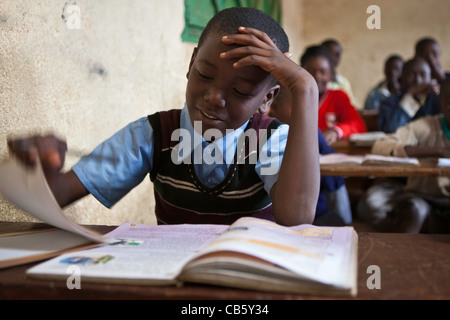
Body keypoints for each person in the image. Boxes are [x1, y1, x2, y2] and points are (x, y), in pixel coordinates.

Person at [7, 7, 320, 227]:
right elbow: (57, 194)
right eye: (204, 74)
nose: (215, 97)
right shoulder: (152, 134)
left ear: (267, 99)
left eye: (239, 92)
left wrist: (305, 87)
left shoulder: (270, 140)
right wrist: (39, 172)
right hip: (173, 282)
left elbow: (297, 216)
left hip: (248, 286)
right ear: (191, 61)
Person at [357, 77, 450, 234]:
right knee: (414, 209)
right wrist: (438, 151)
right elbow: (381, 145)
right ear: (441, 102)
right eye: (448, 101)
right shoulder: (426, 126)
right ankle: (399, 256)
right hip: (422, 197)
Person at [269, 86, 352, 225]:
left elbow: (331, 163)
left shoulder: (311, 130)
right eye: (299, 105)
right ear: (275, 107)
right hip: (303, 213)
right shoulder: (269, 133)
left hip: (313, 210)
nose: (307, 111)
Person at [300, 45, 366, 145]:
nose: (317, 77)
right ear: (300, 71)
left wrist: (336, 131)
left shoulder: (338, 97)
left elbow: (358, 124)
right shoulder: (290, 97)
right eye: (311, 71)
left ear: (331, 75)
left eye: (323, 72)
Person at [378, 57, 440, 134]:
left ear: (430, 78)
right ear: (401, 80)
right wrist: (409, 96)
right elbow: (392, 130)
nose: (418, 80)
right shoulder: (389, 103)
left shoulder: (436, 100)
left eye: (423, 75)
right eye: (411, 75)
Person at [321, 39, 356, 105]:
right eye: (329, 53)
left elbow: (350, 106)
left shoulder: (344, 83)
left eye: (337, 55)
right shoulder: (316, 80)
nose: (332, 58)